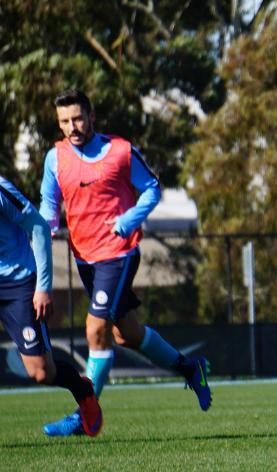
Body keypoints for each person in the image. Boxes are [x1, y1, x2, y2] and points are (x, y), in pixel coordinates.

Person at [39, 89, 212, 437]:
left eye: (77, 119)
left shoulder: (120, 151)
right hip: (84, 258)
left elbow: (152, 189)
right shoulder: (55, 158)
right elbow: (49, 204)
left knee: (95, 328)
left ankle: (84, 412)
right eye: (64, 121)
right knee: (127, 333)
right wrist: (45, 230)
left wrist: (128, 221)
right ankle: (190, 368)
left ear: (91, 116)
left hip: (119, 253)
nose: (72, 127)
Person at [0, 175, 103, 436]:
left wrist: (43, 286)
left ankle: (83, 390)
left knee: (41, 372)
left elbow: (38, 227)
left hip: (17, 282)